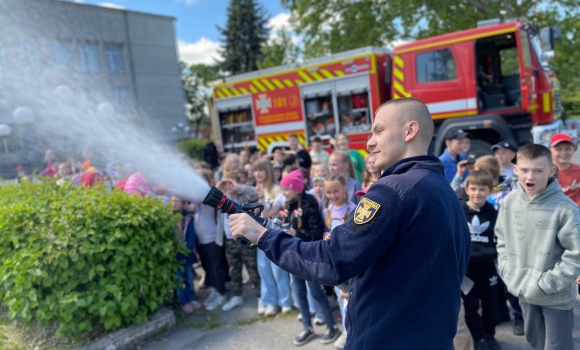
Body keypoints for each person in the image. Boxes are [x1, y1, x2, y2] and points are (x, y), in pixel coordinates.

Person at [228, 97, 471, 349]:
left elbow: (332, 261)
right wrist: (361, 283)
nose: (369, 142)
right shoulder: (441, 187)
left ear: (410, 130)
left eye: (379, 130)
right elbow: (418, 267)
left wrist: (263, 234)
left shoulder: (392, 190)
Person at [495, 143, 580, 350]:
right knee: (535, 341)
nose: (530, 177)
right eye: (524, 170)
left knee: (557, 346)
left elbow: (575, 255)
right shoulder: (510, 201)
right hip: (523, 289)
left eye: (538, 171)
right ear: (515, 170)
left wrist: (545, 284)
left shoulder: (566, 209)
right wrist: (508, 271)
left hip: (555, 295)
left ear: (551, 171)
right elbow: (502, 239)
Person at [278, 170, 340, 346]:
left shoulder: (308, 205)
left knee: (315, 293)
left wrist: (295, 232)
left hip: (308, 257)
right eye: (282, 189)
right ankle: (307, 327)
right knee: (298, 292)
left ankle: (332, 326)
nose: (283, 193)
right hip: (292, 257)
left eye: (286, 189)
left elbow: (316, 233)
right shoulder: (287, 206)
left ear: (297, 189)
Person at [460, 171, 501, 350]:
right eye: (473, 189)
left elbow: (500, 237)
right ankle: (478, 337)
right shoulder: (459, 211)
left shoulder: (494, 213)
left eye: (482, 189)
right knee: (470, 307)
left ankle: (490, 335)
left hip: (487, 267)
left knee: (490, 304)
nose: (477, 193)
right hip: (466, 270)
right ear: (466, 190)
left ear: (490, 191)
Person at [215, 174, 262, 313]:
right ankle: (237, 296)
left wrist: (237, 187)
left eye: (231, 184)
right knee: (234, 269)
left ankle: (261, 297)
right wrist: (219, 189)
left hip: (245, 239)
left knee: (252, 268)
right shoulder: (221, 200)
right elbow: (205, 197)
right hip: (230, 240)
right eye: (226, 185)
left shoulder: (243, 197)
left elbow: (253, 192)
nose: (229, 188)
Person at [321, 174, 356, 349]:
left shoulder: (353, 208)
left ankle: (352, 331)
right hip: (334, 260)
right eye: (328, 192)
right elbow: (325, 231)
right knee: (340, 296)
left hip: (349, 260)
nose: (332, 195)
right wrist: (326, 236)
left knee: (349, 298)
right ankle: (346, 331)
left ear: (344, 189)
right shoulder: (326, 211)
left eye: (336, 191)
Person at [253, 160, 292, 316]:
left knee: (278, 269)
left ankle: (285, 301)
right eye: (256, 170)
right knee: (264, 269)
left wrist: (261, 198)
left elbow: (267, 215)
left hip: (274, 232)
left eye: (261, 170)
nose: (258, 173)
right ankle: (269, 302)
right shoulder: (253, 189)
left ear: (268, 171)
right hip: (258, 232)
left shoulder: (276, 189)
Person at [194, 170, 228, 311]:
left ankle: (221, 294)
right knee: (208, 267)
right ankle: (214, 290)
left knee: (216, 267)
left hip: (211, 237)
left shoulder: (207, 193)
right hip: (202, 239)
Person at [171, 196, 202, 314]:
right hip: (175, 255)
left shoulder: (188, 217)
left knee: (189, 278)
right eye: (172, 201)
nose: (174, 204)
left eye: (177, 201)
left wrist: (187, 249)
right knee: (179, 279)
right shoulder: (168, 218)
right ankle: (183, 301)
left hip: (187, 254)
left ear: (183, 203)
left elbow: (191, 235)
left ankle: (191, 298)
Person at [549, 133, 580, 206]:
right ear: (550, 150)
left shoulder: (578, 170)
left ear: (573, 149)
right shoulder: (546, 172)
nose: (563, 152)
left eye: (567, 149)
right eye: (558, 149)